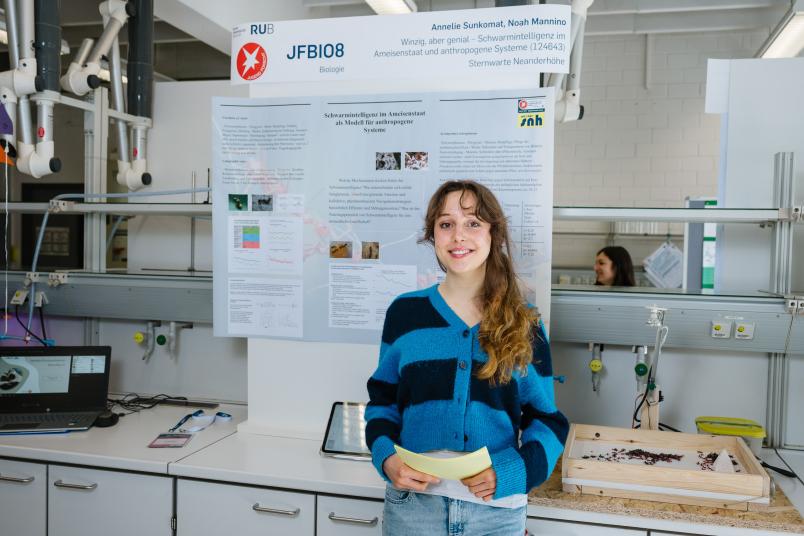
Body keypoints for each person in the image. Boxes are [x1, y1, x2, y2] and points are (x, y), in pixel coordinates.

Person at [365, 180, 568, 535]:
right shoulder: (405, 314)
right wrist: (386, 458)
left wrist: (513, 472)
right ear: (433, 236)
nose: (458, 236)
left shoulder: (524, 322)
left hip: (495, 513)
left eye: (473, 223)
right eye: (446, 224)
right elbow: (382, 405)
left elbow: (548, 420)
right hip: (413, 510)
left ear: (493, 234)